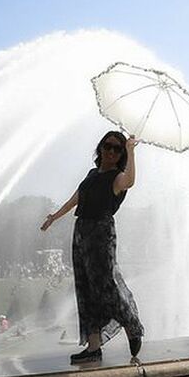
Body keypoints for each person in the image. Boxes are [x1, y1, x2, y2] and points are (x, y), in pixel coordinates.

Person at [41, 130, 144, 364]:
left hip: (101, 232)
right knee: (85, 287)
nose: (111, 151)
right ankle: (94, 346)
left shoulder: (118, 177)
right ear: (101, 148)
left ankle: (131, 323)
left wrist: (131, 150)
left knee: (106, 284)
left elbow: (131, 181)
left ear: (121, 155)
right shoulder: (91, 174)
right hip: (82, 232)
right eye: (108, 146)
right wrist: (54, 217)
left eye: (117, 149)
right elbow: (75, 199)